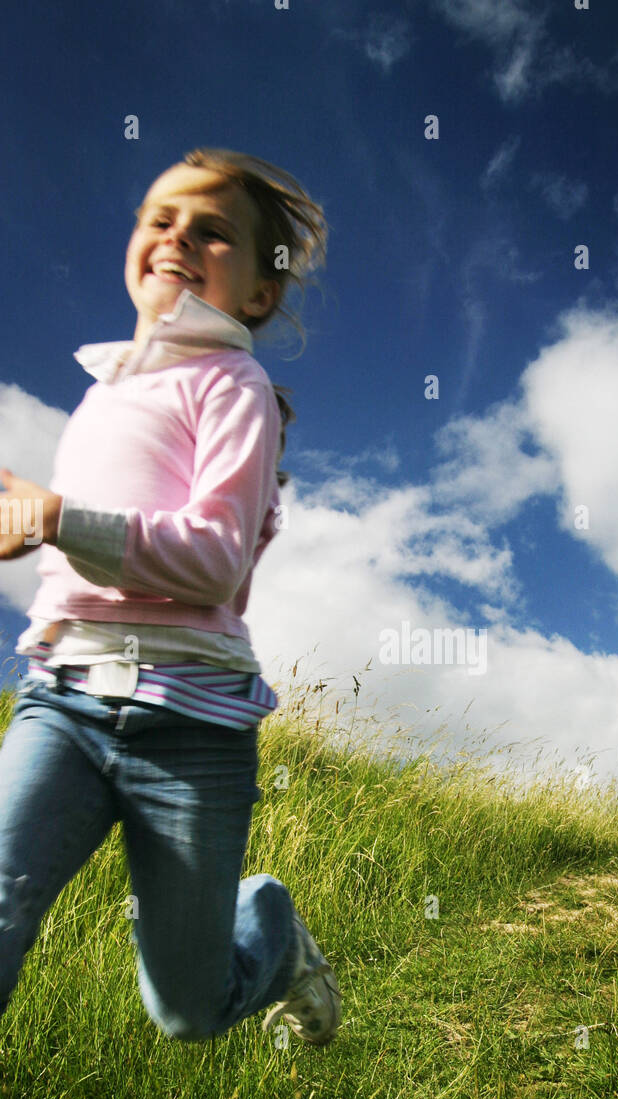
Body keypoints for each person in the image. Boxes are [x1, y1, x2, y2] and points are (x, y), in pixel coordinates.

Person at [0, 148, 341, 1046]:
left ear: (260, 292)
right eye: (159, 218)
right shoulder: (100, 395)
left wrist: (56, 515)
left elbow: (214, 561)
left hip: (192, 728)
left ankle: (271, 927)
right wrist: (36, 526)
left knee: (185, 1008)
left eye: (212, 230)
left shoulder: (236, 387)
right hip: (63, 702)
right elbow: (71, 565)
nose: (177, 236)